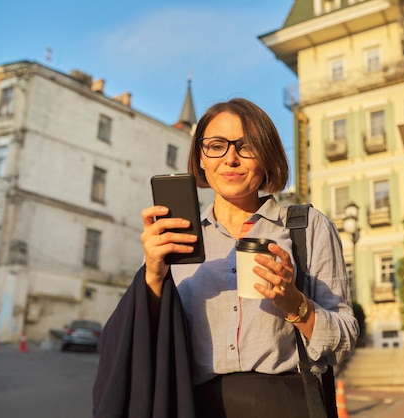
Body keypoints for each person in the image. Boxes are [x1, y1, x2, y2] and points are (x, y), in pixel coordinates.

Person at [94, 98, 358, 418]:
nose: (230, 158)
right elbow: (139, 342)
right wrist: (152, 273)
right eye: (216, 145)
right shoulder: (177, 236)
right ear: (201, 159)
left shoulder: (308, 227)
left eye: (246, 146)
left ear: (267, 157)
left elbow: (343, 340)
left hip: (286, 405)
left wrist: (293, 302)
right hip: (193, 406)